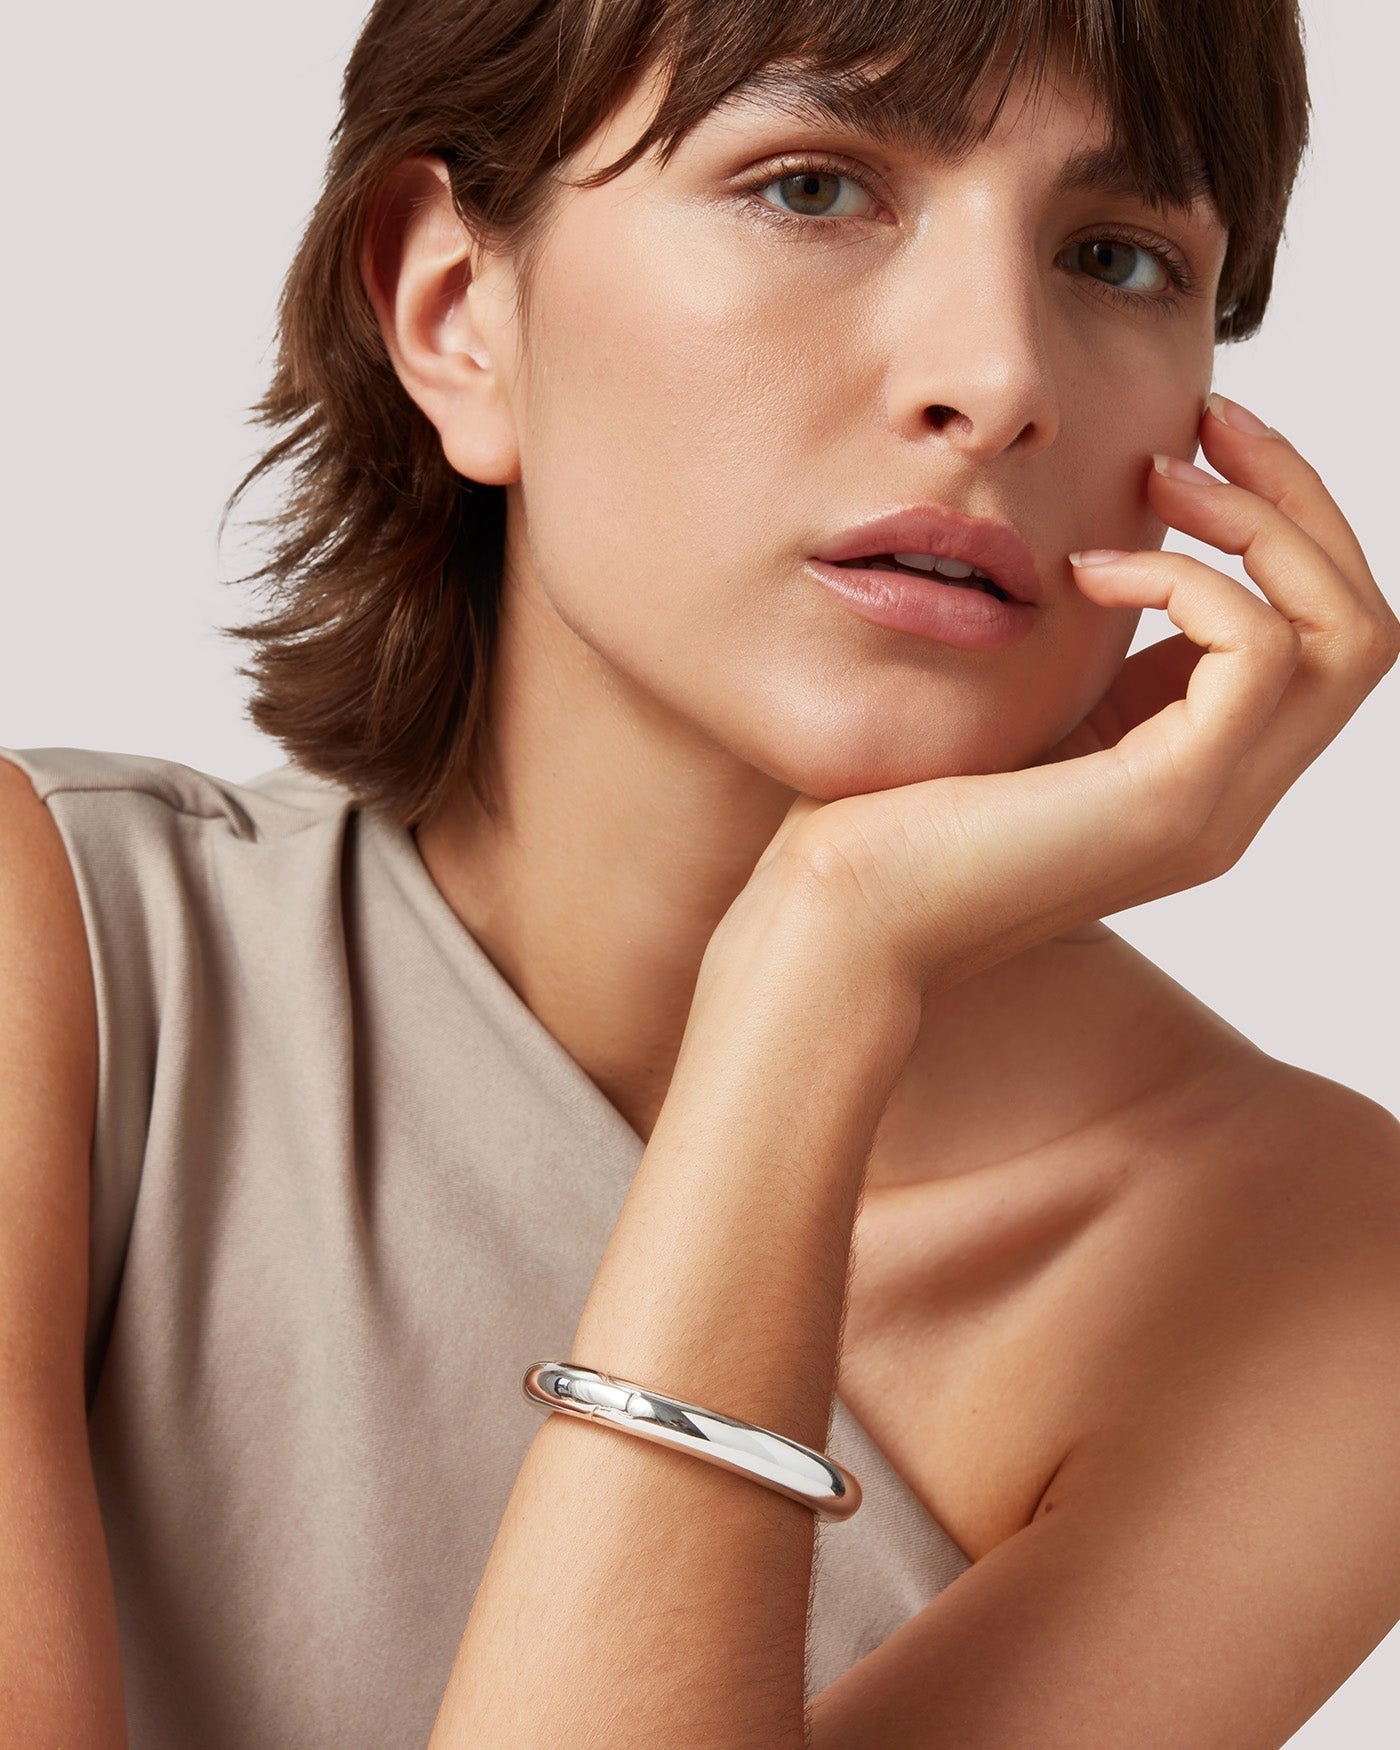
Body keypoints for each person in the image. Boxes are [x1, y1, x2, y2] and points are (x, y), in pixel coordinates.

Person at [2, 0, 1398, 1744]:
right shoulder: (58, 960)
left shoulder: (1315, 1269)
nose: (1000, 380)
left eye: (1115, 257)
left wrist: (824, 960)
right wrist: (814, 974)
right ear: (454, 311)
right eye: (812, 187)